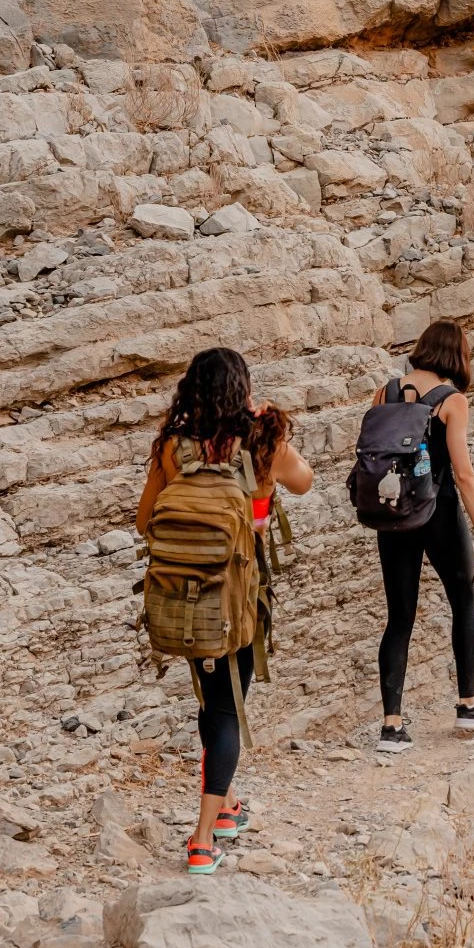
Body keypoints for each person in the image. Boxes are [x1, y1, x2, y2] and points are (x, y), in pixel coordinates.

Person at [135, 347, 313, 875]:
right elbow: (304, 482)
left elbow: (146, 520)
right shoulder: (262, 442)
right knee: (227, 709)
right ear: (243, 390)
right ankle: (202, 838)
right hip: (239, 594)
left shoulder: (173, 447)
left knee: (213, 701)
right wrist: (274, 434)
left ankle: (227, 804)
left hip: (182, 592)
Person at [370, 319, 474, 754]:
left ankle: (392, 726)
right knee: (463, 597)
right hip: (438, 510)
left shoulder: (385, 390)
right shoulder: (452, 400)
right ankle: (467, 703)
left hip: (394, 514)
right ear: (457, 355)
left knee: (399, 616)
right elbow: (462, 473)